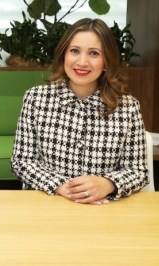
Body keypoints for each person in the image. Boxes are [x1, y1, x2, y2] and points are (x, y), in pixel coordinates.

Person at [11, 18, 148, 204]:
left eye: (94, 53)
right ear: (64, 55)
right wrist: (61, 186)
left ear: (106, 61)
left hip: (104, 208)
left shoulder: (128, 107)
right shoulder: (36, 98)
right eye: (75, 51)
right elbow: (21, 161)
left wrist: (108, 184)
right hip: (48, 203)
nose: (82, 62)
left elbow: (138, 171)